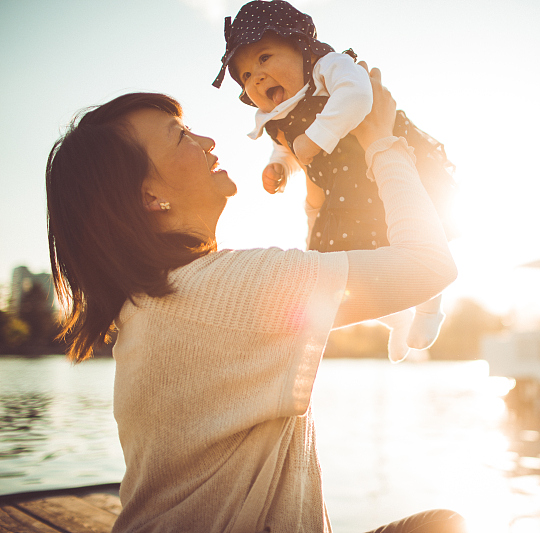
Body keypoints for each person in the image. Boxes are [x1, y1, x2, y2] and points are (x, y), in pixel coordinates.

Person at [46, 64, 464, 532]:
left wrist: (315, 202)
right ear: (150, 196)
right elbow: (430, 265)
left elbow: (311, 299)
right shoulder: (227, 288)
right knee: (446, 525)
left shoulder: (163, 299)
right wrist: (381, 141)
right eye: (181, 136)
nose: (208, 142)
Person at [211, 0, 458, 363]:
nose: (256, 77)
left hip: (384, 161)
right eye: (245, 75)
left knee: (415, 229)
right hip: (345, 191)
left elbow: (358, 95)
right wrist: (280, 166)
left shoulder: (328, 66)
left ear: (299, 47)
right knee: (338, 271)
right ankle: (398, 318)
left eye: (264, 58)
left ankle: (428, 310)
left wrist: (315, 138)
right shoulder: (278, 114)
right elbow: (290, 148)